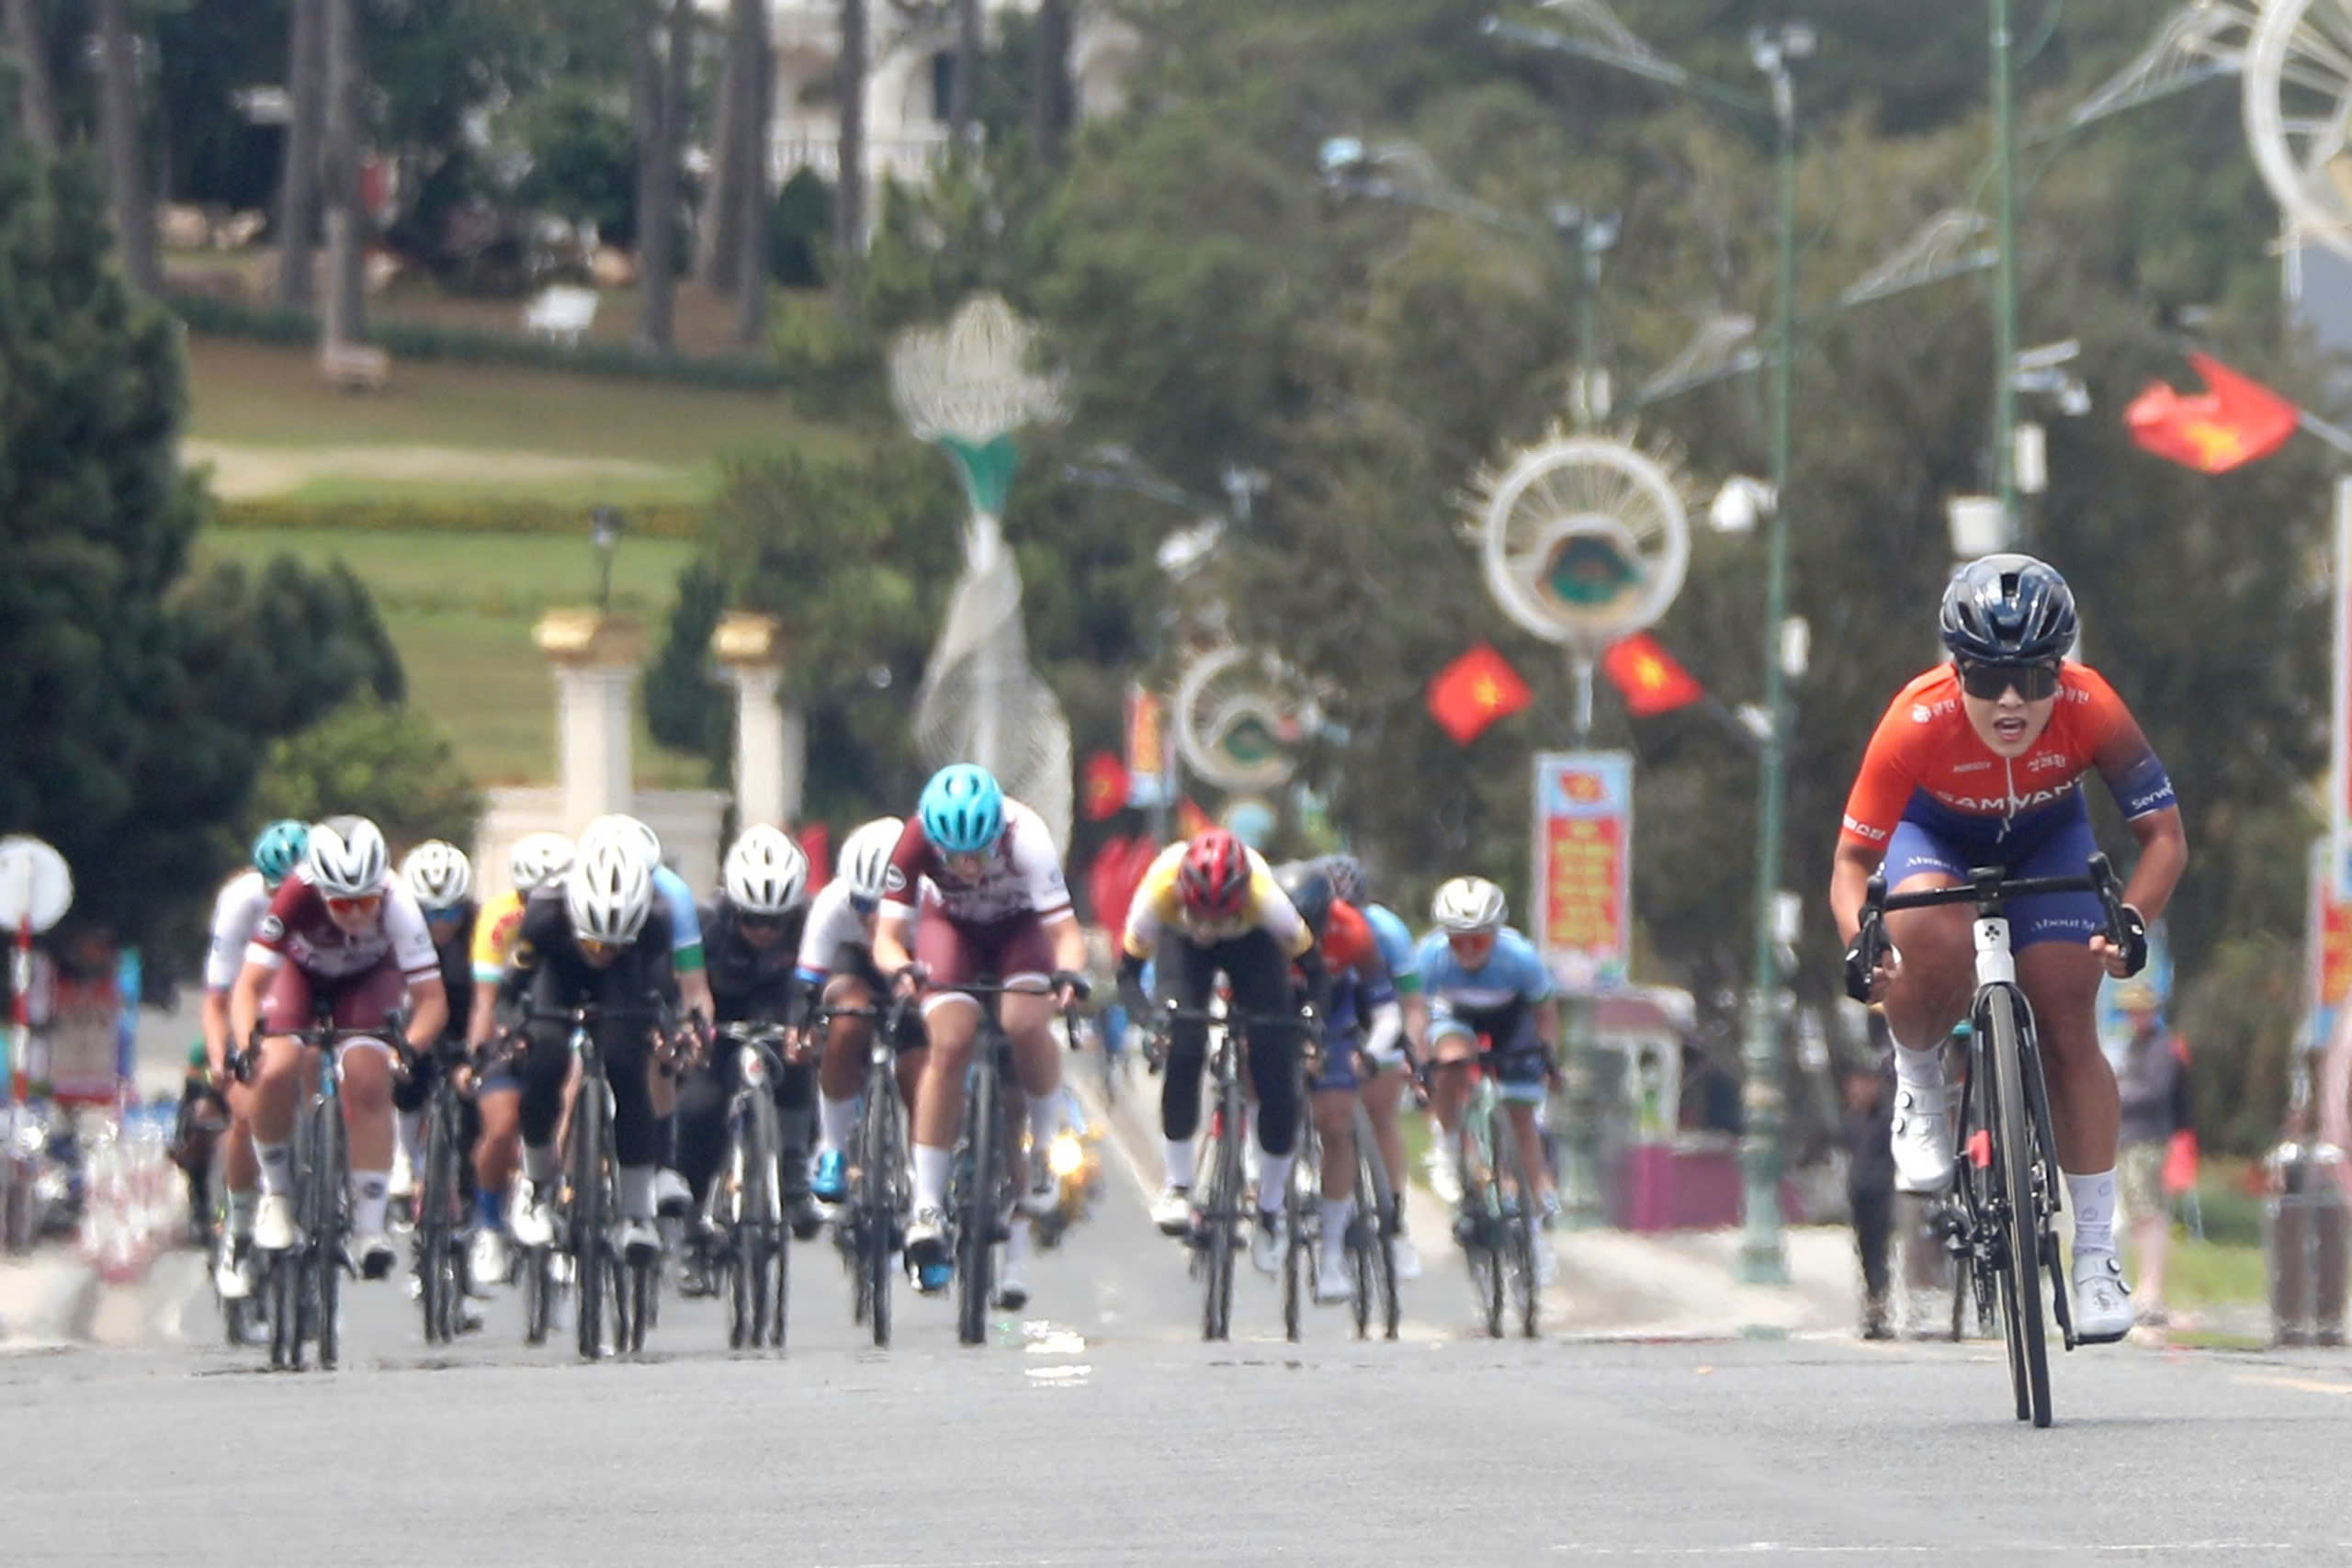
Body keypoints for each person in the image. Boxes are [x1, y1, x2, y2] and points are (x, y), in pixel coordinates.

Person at [1832, 553, 2186, 1344]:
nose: (2012, 700)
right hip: (1936, 839)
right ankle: (1919, 1078)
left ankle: (2094, 1255)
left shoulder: (2093, 707)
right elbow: (1852, 863)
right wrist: (1862, 942)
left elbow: (2164, 837)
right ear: (1957, 670)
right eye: (1990, 679)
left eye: (2033, 676)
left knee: (2065, 1008)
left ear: (2061, 668)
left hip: (2047, 840)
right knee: (1929, 930)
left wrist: (2132, 918)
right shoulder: (1915, 720)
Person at [872, 764, 1089, 1307]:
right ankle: (926, 1204)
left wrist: (1069, 976)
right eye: (954, 858)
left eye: (980, 854)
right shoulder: (914, 838)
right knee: (948, 1042)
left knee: (1024, 1021)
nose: (968, 868)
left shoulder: (1028, 836)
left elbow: (1066, 934)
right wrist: (901, 969)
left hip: (1020, 930)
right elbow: (887, 938)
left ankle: (1042, 1148)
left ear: (998, 834)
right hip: (950, 928)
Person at [227, 815, 450, 1280]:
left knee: (369, 1075)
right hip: (300, 976)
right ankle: (278, 1196)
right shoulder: (295, 893)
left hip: (368, 979)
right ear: (320, 890)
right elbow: (247, 988)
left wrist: (407, 1049)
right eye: (341, 904)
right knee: (276, 1067)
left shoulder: (398, 901)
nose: (355, 915)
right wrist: (248, 1043)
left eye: (365, 902)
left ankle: (369, 1227)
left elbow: (432, 1002)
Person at [1115, 828, 1324, 1276]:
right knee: (1184, 1044)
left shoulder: (1267, 901)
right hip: (1182, 951)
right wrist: (1150, 1019)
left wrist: (1308, 1016)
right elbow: (1127, 973)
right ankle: (1178, 1186)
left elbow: (1314, 969)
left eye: (1218, 918)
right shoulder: (1159, 891)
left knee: (1275, 1071)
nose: (1207, 928)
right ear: (1182, 895)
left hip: (1253, 947)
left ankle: (1269, 1210)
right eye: (1199, 914)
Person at [500, 829, 679, 1268]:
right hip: (558, 979)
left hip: (625, 983)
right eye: (595, 943)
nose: (603, 953)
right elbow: (512, 988)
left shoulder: (655, 920)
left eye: (615, 944)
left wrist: (664, 1031)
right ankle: (536, 1187)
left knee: (627, 1068)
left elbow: (663, 993)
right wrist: (512, 1030)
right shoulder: (545, 913)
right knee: (545, 1059)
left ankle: (637, 1213)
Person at [673, 823, 820, 1292]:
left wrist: (811, 1025)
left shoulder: (812, 925)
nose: (764, 931)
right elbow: (680, 987)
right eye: (752, 919)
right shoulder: (706, 926)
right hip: (721, 1017)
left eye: (776, 922)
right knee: (698, 1108)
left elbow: (821, 982)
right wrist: (688, 1029)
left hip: (779, 1007)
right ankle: (694, 1223)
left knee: (797, 1056)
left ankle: (794, 1168)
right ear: (733, 908)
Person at [1415, 874, 1561, 1283]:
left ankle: (1533, 1235)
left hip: (1511, 1018)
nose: (1466, 951)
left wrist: (1548, 1059)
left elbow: (1545, 1014)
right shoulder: (1429, 957)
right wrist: (1421, 1063)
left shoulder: (1521, 958)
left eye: (1478, 941)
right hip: (1454, 1015)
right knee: (1451, 1061)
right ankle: (1447, 1144)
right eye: (1457, 941)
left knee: (1522, 1117)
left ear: (1496, 935)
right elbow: (1417, 1014)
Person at [1278, 861, 1398, 1303]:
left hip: (1334, 1011)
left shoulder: (1355, 933)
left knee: (1335, 1122)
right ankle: (1261, 1173)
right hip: (1275, 1003)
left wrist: (1371, 1054)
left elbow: (1386, 1011)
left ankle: (1331, 1254)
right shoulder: (1259, 924)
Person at [199, 818, 308, 1301]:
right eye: (274, 890)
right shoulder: (241, 901)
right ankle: (239, 1232)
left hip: (307, 1004)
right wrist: (221, 1056)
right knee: (245, 1109)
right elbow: (218, 997)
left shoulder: (331, 901)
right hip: (255, 1006)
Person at [802, 818, 930, 1206]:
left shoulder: (933, 903)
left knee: (919, 1069)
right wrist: (803, 1025)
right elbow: (807, 981)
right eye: (862, 905)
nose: (873, 917)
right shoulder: (831, 904)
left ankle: (926, 1173)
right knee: (848, 1018)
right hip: (857, 970)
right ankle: (832, 1148)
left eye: (885, 906)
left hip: (916, 970)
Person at [464, 830, 571, 1284]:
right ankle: (489, 1226)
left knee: (573, 1091)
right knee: (502, 1125)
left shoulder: (580, 916)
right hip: (514, 1025)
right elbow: (486, 1000)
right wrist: (477, 1055)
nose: (539, 906)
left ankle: (556, 1203)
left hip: (561, 1024)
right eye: (530, 897)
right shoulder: (500, 917)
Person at [1317, 853, 1425, 1280]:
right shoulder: (1300, 923)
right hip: (1328, 1006)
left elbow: (1412, 1005)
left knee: (1381, 1109)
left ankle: (1394, 1224)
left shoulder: (1387, 933)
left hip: (1378, 1007)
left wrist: (1410, 1056)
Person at [392, 840, 476, 1217]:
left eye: (451, 912)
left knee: (475, 1095)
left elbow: (491, 998)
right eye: (430, 913)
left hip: (462, 1021)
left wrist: (478, 1051)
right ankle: (404, 1153)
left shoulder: (476, 928)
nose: (442, 923)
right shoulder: (396, 927)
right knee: (407, 1069)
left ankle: (467, 1185)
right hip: (414, 1019)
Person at [2113, 980, 2191, 1325]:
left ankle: (2152, 1289)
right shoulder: (2134, 1047)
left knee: (2150, 1211)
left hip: (2148, 1139)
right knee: (2137, 1212)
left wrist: (2117, 1093)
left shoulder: (2161, 1048)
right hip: (2129, 1139)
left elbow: (2156, 1092)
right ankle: (2145, 1286)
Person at [1842, 1008, 1898, 1340]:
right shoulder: (1852, 1119)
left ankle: (1879, 1307)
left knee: (1879, 1254)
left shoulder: (1885, 1118)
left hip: (1880, 1193)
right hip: (1859, 1193)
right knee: (1864, 1253)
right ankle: (1871, 1305)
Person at [170, 1043, 230, 1248]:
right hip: (211, 1097)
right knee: (200, 1116)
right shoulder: (203, 1049)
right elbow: (191, 1085)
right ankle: (200, 1206)